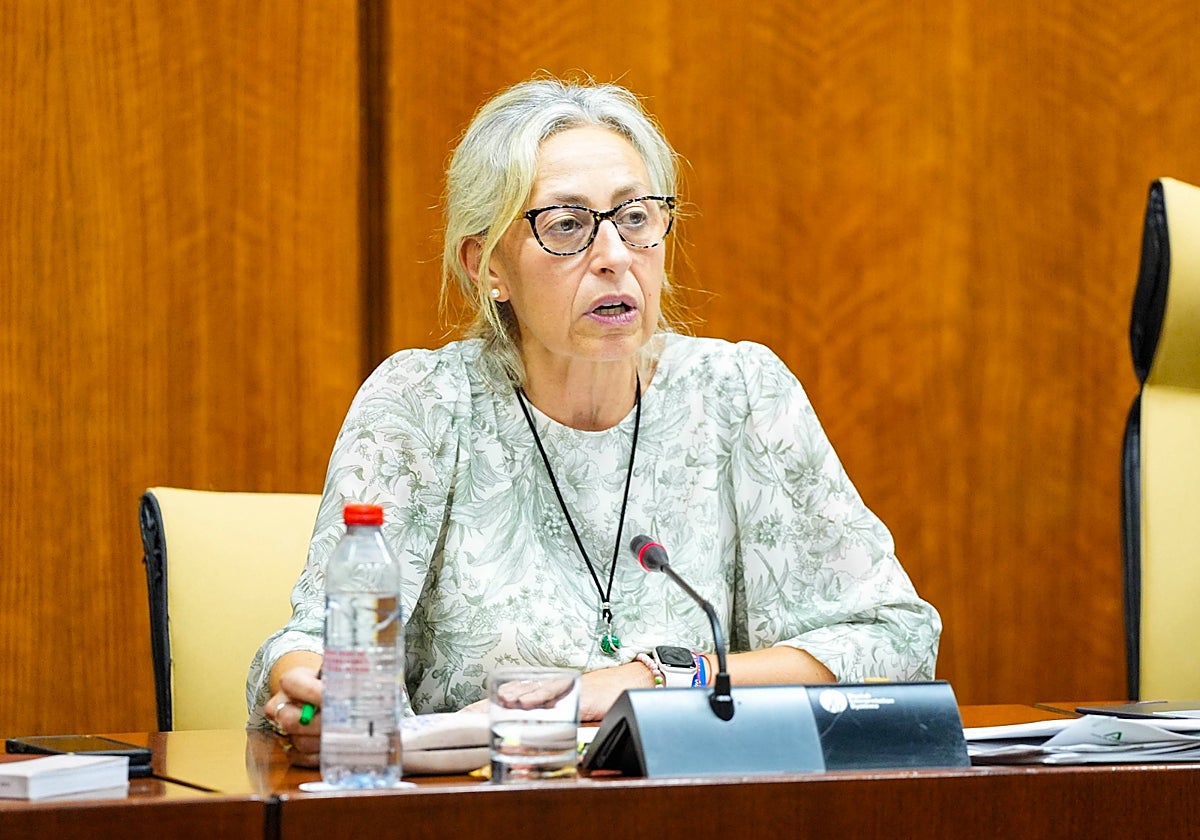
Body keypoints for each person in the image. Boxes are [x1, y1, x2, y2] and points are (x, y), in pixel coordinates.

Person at [248, 76, 941, 766]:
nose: (614, 256)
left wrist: (646, 682)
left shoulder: (740, 394)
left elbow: (894, 641)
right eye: (567, 226)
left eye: (635, 217)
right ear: (486, 266)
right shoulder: (424, 404)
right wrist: (312, 687)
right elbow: (315, 642)